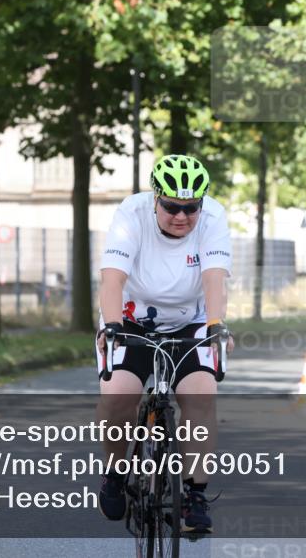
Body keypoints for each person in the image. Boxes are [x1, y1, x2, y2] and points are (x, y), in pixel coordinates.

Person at [95, 154, 234, 534]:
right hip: (130, 319)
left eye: (191, 208)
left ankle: (195, 495)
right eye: (172, 206)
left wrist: (217, 326)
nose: (181, 216)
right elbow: (112, 280)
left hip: (192, 321)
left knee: (201, 395)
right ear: (155, 198)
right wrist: (111, 327)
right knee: (119, 393)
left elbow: (215, 279)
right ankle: (114, 473)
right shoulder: (132, 213)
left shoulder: (214, 218)